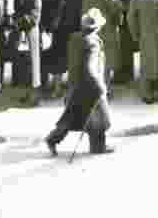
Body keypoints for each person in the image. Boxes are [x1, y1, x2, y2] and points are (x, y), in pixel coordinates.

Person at [44, 8, 113, 157]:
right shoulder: (93, 42)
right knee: (98, 118)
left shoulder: (76, 38)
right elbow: (90, 68)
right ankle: (98, 147)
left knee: (71, 117)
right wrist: (100, 86)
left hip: (76, 84)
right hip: (90, 85)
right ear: (97, 26)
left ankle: (52, 139)